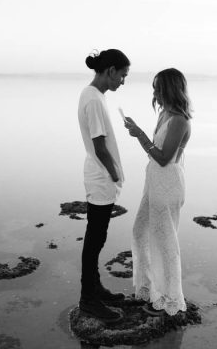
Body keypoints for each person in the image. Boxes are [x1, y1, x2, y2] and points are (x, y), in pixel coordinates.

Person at [123, 68, 192, 316]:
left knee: (164, 242)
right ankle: (152, 288)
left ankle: (170, 297)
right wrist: (141, 133)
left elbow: (164, 158)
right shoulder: (164, 114)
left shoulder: (180, 120)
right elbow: (156, 151)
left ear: (169, 89)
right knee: (141, 232)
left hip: (167, 184)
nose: (154, 92)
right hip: (153, 182)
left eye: (157, 87)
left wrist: (139, 134)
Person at [77, 49, 130, 323]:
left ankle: (95, 289)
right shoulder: (95, 100)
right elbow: (99, 146)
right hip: (100, 178)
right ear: (110, 70)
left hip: (97, 176)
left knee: (96, 238)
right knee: (95, 239)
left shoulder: (92, 95)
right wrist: (115, 174)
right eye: (122, 75)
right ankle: (88, 300)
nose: (122, 81)